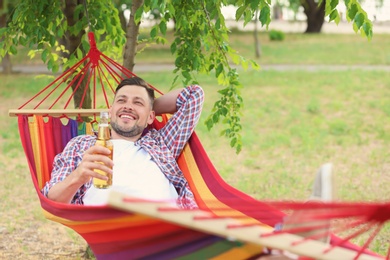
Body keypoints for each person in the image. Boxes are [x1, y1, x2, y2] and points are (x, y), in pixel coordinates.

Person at [42, 76, 204, 209]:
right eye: (122, 101)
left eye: (137, 102)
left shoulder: (162, 142)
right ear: (110, 110)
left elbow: (194, 95)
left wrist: (145, 109)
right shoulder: (81, 145)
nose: (128, 107)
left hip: (169, 229)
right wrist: (78, 176)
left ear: (151, 117)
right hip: (111, 229)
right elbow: (52, 201)